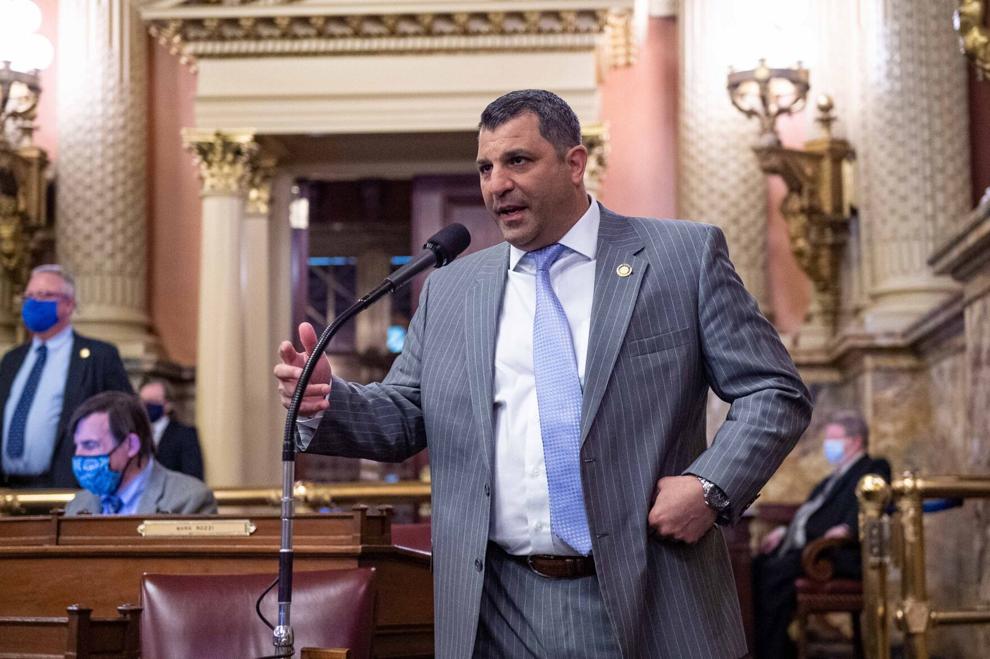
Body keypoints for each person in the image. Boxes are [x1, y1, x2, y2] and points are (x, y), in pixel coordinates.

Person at [274, 89, 813, 658]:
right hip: (496, 605)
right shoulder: (453, 289)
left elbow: (774, 391)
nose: (496, 184)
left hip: (646, 591)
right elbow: (407, 414)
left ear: (575, 164)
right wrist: (327, 402)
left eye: (518, 161)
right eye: (485, 167)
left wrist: (710, 486)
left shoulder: (681, 258)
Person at [752, 409, 891, 659]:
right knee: (756, 566)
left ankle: (771, 653)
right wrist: (784, 531)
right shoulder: (830, 480)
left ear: (855, 441)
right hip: (813, 551)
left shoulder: (872, 468)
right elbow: (809, 514)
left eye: (833, 439)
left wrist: (849, 527)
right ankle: (775, 646)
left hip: (835, 553)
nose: (828, 445)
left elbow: (877, 499)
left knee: (773, 573)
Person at [0, 264, 133, 488]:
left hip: (65, 489)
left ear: (69, 304)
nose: (34, 302)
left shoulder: (98, 357)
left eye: (44, 295)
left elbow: (126, 419)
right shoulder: (12, 359)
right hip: (7, 490)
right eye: (29, 296)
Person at [64, 391, 217, 516]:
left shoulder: (189, 499)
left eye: (90, 445)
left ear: (131, 445)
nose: (79, 455)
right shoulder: (78, 505)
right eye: (77, 446)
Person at [138, 378, 205, 480]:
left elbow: (192, 477)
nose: (146, 406)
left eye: (152, 401)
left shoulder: (185, 435)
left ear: (168, 405)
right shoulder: (133, 433)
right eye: (143, 401)